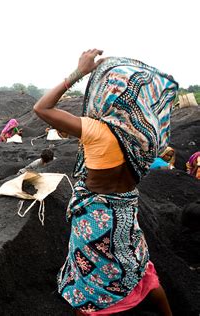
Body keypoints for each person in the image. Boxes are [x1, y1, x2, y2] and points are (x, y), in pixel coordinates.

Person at [33, 49, 177, 315]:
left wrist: (79, 72)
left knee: (89, 282)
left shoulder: (95, 129)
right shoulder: (142, 136)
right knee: (138, 266)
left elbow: (41, 107)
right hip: (126, 212)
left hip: (95, 220)